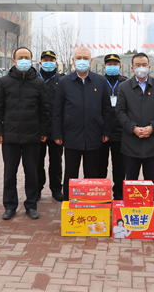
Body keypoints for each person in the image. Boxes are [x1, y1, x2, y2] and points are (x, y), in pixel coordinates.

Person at [0, 47, 49, 220]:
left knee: (32, 173)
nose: (23, 60)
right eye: (20, 57)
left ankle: (31, 205)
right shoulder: (4, 82)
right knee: (10, 174)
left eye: (27, 57)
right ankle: (10, 206)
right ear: (14, 61)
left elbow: (44, 110)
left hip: (32, 136)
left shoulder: (39, 83)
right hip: (10, 136)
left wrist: (44, 131)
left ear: (31, 61)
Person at [51, 47, 113, 200]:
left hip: (94, 135)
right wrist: (57, 133)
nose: (82, 61)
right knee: (70, 172)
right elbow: (57, 109)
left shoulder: (100, 81)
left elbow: (106, 108)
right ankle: (68, 202)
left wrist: (106, 131)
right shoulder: (64, 82)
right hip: (71, 135)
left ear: (91, 61)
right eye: (78, 58)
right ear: (73, 61)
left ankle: (90, 202)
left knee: (92, 173)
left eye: (85, 58)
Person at [116, 53, 154, 202]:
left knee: (152, 179)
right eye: (137, 65)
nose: (141, 68)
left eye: (144, 64)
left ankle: (153, 205)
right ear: (132, 68)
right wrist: (133, 128)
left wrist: (152, 127)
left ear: (149, 67)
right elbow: (120, 111)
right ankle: (130, 207)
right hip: (131, 142)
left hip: (153, 142)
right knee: (130, 180)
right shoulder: (124, 87)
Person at [99, 53, 128, 200]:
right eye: (109, 64)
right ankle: (101, 193)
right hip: (102, 131)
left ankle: (118, 193)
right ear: (104, 67)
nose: (112, 67)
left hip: (120, 131)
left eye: (115, 64)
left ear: (120, 66)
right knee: (100, 165)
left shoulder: (125, 83)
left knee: (120, 166)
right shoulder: (99, 82)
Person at [37, 50, 64, 202]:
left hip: (56, 129)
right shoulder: (34, 79)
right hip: (38, 128)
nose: (48, 63)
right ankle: (37, 188)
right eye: (45, 60)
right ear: (40, 62)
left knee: (56, 161)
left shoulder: (62, 80)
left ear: (56, 62)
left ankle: (56, 188)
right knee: (37, 161)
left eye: (51, 60)